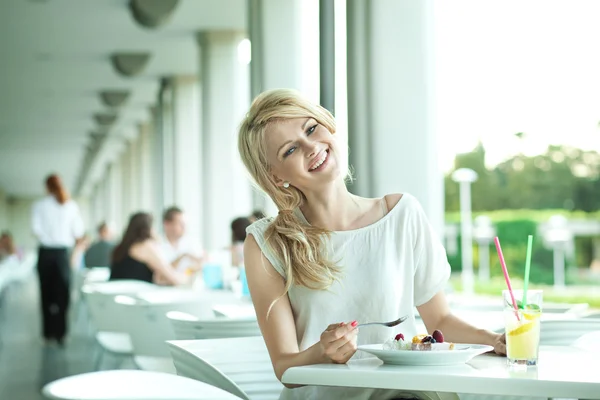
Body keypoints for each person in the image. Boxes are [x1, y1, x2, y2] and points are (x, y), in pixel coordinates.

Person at [238, 89, 506, 400]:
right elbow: (285, 368)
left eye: (311, 128)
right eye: (290, 150)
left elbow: (440, 322)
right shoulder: (266, 244)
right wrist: (321, 352)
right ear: (274, 175)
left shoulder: (402, 215)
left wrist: (495, 340)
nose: (312, 147)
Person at [31, 174, 85, 346]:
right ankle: (61, 334)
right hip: (62, 254)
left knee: (46, 294)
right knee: (63, 293)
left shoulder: (39, 206)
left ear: (46, 187)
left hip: (45, 253)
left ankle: (48, 334)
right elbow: (78, 232)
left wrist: (50, 233)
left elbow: (35, 230)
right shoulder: (70, 206)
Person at [110, 212, 186, 286]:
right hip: (136, 295)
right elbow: (172, 277)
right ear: (148, 229)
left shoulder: (121, 248)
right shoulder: (146, 246)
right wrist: (188, 278)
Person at [160, 206, 203, 272]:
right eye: (180, 223)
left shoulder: (192, 241)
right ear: (167, 224)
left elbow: (202, 264)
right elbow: (163, 272)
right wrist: (183, 256)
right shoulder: (157, 245)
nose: (184, 227)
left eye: (184, 224)